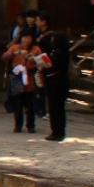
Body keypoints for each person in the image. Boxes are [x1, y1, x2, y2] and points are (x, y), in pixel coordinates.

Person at [35, 10, 71, 141]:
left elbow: (51, 65)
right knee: (56, 107)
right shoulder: (60, 53)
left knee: (56, 107)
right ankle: (57, 131)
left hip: (56, 80)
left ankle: (58, 132)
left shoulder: (59, 54)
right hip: (56, 79)